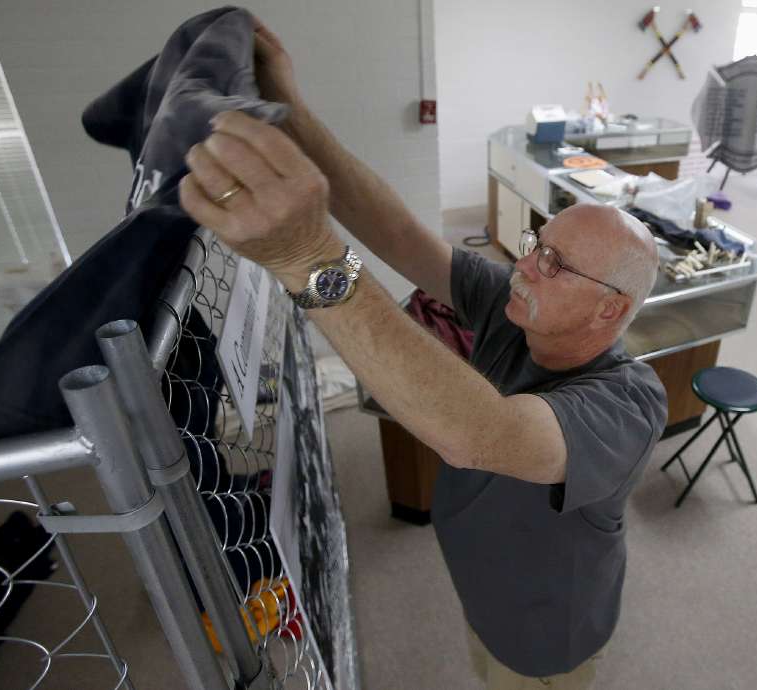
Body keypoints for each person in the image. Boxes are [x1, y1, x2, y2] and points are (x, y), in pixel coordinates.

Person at [178, 17, 669, 690]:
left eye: (556, 265)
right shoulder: (514, 310)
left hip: (544, 638)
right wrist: (290, 112)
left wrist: (309, 257)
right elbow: (401, 235)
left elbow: (479, 434)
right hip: (485, 596)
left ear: (609, 309)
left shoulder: (628, 404)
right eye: (538, 244)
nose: (525, 266)